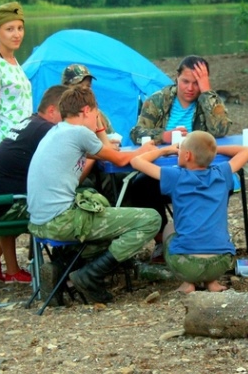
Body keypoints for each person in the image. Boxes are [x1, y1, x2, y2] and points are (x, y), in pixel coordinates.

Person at [27, 85, 161, 303]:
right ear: (87, 110)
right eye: (96, 113)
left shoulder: (57, 131)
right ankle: (91, 276)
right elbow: (119, 159)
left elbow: (107, 152)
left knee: (107, 226)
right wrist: (149, 151)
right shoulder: (78, 132)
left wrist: (98, 129)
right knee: (150, 219)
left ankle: (59, 270)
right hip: (62, 221)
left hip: (39, 221)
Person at [128, 55, 232, 261]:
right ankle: (160, 241)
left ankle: (208, 241)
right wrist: (163, 136)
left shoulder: (206, 100)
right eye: (186, 81)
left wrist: (207, 91)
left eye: (196, 83)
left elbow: (221, 129)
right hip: (166, 171)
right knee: (139, 186)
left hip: (199, 170)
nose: (190, 88)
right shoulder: (159, 99)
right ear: (176, 78)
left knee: (223, 182)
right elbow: (136, 132)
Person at [130, 131, 248, 293]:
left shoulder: (175, 176)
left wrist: (164, 150)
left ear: (187, 155)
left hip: (187, 266)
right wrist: (212, 150)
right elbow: (247, 151)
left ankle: (188, 283)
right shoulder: (222, 173)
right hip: (221, 263)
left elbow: (136, 161)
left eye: (180, 149)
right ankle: (212, 283)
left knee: (170, 228)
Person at [0, 85, 68, 284]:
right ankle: (67, 264)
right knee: (60, 206)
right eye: (65, 114)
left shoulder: (31, 122)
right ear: (52, 110)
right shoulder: (46, 129)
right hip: (2, 205)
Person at [0, 2, 32, 164]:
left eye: (20, 28)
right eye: (10, 29)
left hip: (22, 139)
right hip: (8, 144)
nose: (17, 34)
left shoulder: (13, 61)